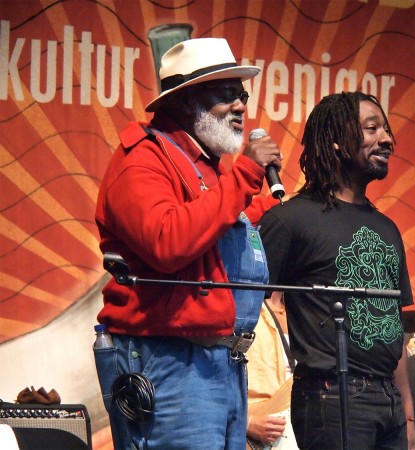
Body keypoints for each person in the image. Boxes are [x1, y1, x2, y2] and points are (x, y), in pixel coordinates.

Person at [93, 38, 281, 450]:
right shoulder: (142, 159)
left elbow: (222, 230)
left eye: (242, 95)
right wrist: (247, 171)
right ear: (186, 100)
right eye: (226, 94)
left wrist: (280, 207)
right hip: (169, 362)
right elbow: (168, 241)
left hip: (220, 362)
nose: (241, 107)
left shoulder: (208, 168)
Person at [258, 92, 415, 450]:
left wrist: (408, 417)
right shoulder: (290, 220)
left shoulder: (387, 228)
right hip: (330, 399)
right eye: (372, 128)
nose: (388, 139)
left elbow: (394, 327)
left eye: (387, 129)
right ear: (335, 141)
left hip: (389, 404)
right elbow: (241, 314)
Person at [245, 292, 298, 449]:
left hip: (300, 424)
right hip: (253, 436)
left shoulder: (304, 311)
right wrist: (246, 423)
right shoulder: (245, 309)